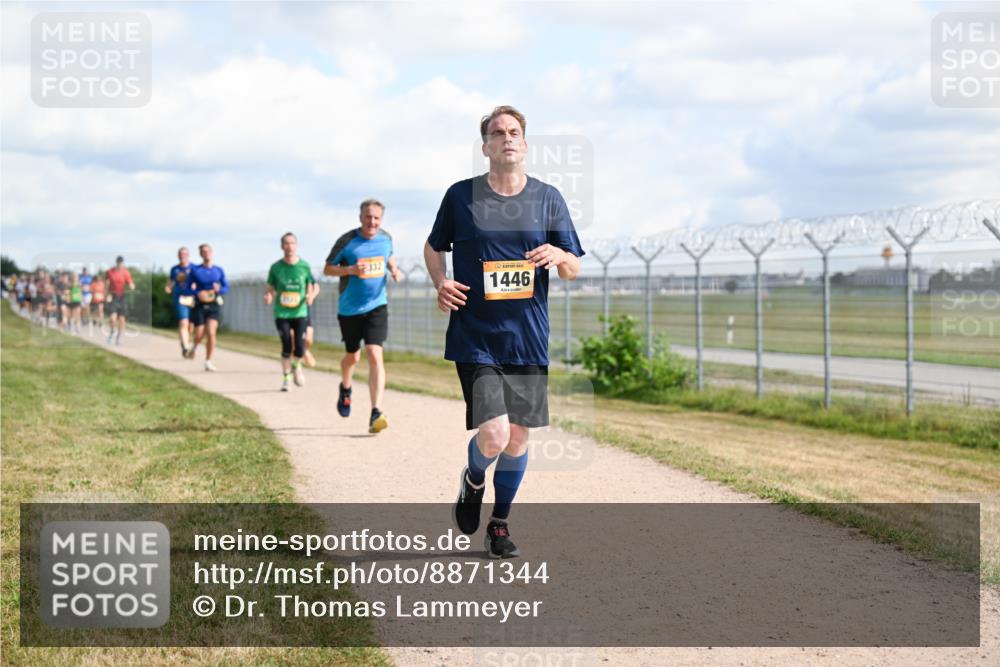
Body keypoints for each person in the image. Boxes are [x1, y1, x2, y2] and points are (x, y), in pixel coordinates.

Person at [424, 105, 583, 558]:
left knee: (518, 438)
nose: (507, 138)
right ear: (486, 147)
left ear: (525, 144)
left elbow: (572, 267)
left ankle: (499, 524)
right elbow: (433, 248)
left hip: (527, 339)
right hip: (475, 336)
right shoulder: (461, 196)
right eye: (498, 133)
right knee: (494, 435)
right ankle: (474, 479)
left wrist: (559, 254)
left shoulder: (548, 198)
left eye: (514, 132)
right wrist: (441, 282)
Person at [324, 199, 401, 434]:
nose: (372, 222)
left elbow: (388, 256)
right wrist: (350, 270)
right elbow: (328, 268)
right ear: (360, 217)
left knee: (375, 354)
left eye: (376, 218)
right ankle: (345, 388)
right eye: (368, 217)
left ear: (381, 220)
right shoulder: (347, 241)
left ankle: (376, 411)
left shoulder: (386, 238)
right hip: (349, 309)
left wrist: (394, 269)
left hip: (377, 305)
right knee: (353, 357)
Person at [264, 232, 315, 391]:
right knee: (286, 346)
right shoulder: (276, 267)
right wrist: (269, 296)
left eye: (292, 243)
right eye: (286, 243)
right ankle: (286, 379)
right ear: (282, 246)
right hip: (282, 313)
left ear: (296, 245)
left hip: (300, 312)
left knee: (299, 347)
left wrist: (310, 295)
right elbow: (271, 288)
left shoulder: (304, 266)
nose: (289, 246)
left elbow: (310, 284)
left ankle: (296, 365)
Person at [189, 243, 228, 371]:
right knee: (199, 333)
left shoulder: (218, 270)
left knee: (211, 332)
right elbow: (188, 288)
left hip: (213, 305)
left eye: (208, 251)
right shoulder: (196, 270)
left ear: (211, 252)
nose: (206, 253)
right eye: (203, 252)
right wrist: (197, 293)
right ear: (200, 254)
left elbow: (225, 288)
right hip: (199, 306)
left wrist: (219, 289)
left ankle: (208, 361)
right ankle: (195, 347)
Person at [165, 247, 197, 358]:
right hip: (180, 298)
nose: (182, 256)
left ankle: (184, 341)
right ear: (178, 256)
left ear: (188, 255)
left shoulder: (194, 268)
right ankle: (186, 348)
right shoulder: (174, 269)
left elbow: (199, 280)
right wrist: (168, 287)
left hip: (192, 298)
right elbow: (170, 281)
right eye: (180, 254)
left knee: (191, 326)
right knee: (183, 322)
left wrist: (196, 285)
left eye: (184, 254)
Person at [105, 256, 135, 345]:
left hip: (122, 297)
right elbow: (107, 284)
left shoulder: (126, 272)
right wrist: (106, 294)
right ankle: (112, 332)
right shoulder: (110, 272)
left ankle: (118, 338)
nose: (120, 264)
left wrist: (132, 286)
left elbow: (130, 282)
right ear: (116, 263)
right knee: (112, 318)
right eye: (118, 262)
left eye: (121, 263)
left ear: (123, 263)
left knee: (122, 319)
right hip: (112, 296)